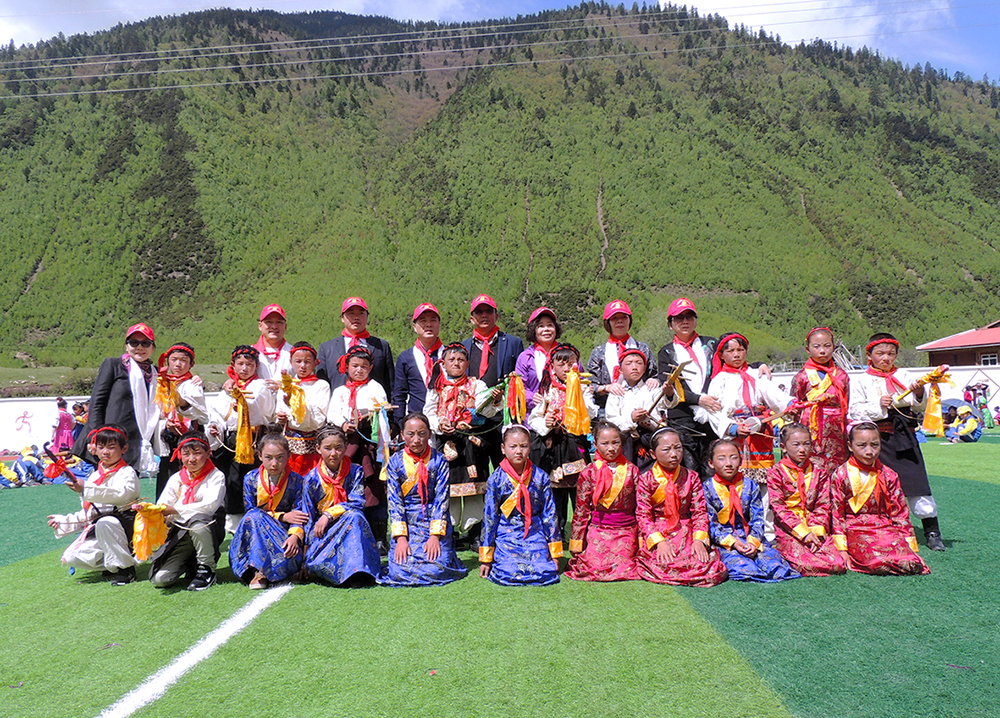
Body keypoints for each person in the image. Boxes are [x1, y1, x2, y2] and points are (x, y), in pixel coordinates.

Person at [848, 333, 946, 551]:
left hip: (905, 437)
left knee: (917, 482)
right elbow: (854, 411)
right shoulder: (860, 380)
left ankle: (932, 531)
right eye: (880, 353)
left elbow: (919, 405)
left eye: (891, 354)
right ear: (869, 355)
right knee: (878, 485)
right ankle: (884, 529)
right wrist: (879, 404)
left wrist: (919, 393)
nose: (886, 358)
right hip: (877, 441)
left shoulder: (905, 375)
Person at [705, 331, 793, 539]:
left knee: (764, 487)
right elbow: (713, 411)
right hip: (735, 439)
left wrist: (789, 403)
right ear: (721, 355)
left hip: (760, 437)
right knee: (737, 484)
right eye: (731, 351)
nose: (736, 354)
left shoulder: (756, 376)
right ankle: (737, 529)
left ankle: (767, 533)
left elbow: (774, 395)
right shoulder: (718, 380)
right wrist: (732, 428)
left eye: (740, 349)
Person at [378, 413, 468, 587]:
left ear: (429, 434)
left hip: (434, 520)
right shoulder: (395, 462)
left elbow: (442, 500)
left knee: (437, 569)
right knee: (399, 571)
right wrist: (401, 538)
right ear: (402, 435)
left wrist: (435, 536)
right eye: (410, 434)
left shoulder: (439, 460)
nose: (416, 440)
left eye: (421, 434)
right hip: (408, 523)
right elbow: (395, 502)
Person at [423, 342, 500, 542]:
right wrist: (440, 424)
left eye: (460, 359)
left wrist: (493, 400)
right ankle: (451, 533)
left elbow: (487, 411)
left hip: (473, 444)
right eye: (452, 359)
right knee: (449, 486)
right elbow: (428, 413)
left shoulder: (477, 385)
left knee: (475, 485)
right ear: (443, 363)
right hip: (446, 443)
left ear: (467, 363)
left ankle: (475, 533)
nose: (456, 363)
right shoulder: (437, 386)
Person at [830, 422, 930, 575]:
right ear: (850, 446)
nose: (869, 451)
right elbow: (837, 514)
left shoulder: (889, 475)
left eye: (874, 445)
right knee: (876, 561)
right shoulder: (841, 474)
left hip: (883, 527)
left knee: (910, 561)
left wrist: (911, 548)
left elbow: (900, 513)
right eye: (862, 445)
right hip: (855, 528)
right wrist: (842, 549)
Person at [47, 425, 140, 585]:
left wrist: (86, 488)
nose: (105, 452)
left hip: (127, 528)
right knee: (73, 557)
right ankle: (113, 564)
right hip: (104, 529)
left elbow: (123, 495)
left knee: (106, 522)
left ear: (124, 448)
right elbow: (89, 512)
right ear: (95, 449)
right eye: (101, 447)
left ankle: (126, 569)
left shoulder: (127, 472)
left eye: (111, 447)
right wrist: (63, 521)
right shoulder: (95, 476)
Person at [635, 428, 728, 586]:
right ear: (652, 454)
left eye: (678, 448)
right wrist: (659, 542)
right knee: (662, 562)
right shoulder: (646, 479)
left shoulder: (692, 477)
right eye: (666, 449)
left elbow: (699, 512)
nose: (674, 454)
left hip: (685, 528)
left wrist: (699, 540)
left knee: (701, 563)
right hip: (658, 529)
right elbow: (643, 515)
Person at [702, 438, 800, 583]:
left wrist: (753, 542)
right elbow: (710, 523)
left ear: (741, 460)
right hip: (725, 542)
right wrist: (734, 543)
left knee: (774, 566)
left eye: (733, 457)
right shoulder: (707, 488)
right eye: (721, 459)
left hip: (750, 537)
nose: (728, 463)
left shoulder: (750, 485)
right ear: (711, 463)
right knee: (742, 567)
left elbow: (758, 518)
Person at [527, 343, 597, 540]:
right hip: (554, 448)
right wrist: (546, 422)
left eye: (571, 364)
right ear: (552, 367)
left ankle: (583, 534)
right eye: (561, 364)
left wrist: (580, 397)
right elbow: (534, 419)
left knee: (580, 492)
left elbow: (591, 413)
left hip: (576, 446)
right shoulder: (547, 389)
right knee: (555, 494)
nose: (566, 369)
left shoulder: (583, 387)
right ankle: (557, 535)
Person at [479, 424, 563, 586]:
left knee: (543, 571)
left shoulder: (540, 477)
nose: (518, 451)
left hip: (534, 532)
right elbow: (490, 518)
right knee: (507, 571)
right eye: (513, 446)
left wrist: (555, 554)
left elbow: (549, 515)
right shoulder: (495, 479)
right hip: (507, 534)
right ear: (503, 448)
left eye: (523, 446)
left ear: (530, 448)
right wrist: (486, 559)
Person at [72, 323, 160, 473]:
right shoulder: (114, 365)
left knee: (129, 483)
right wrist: (94, 437)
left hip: (137, 442)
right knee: (107, 483)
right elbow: (97, 402)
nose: (140, 347)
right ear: (126, 346)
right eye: (134, 343)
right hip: (109, 440)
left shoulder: (156, 374)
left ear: (153, 348)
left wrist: (195, 381)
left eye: (145, 343)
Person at [299, 427, 380, 586]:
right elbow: (307, 515)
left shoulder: (355, 471)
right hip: (324, 531)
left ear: (346, 447)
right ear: (318, 449)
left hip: (350, 525)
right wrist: (304, 555)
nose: (333, 453)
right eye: (327, 448)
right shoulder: (311, 479)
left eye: (338, 448)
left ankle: (357, 572)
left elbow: (358, 502)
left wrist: (329, 514)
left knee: (354, 516)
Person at [327, 344, 390, 550]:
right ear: (346, 367)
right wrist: (344, 424)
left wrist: (369, 415)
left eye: (364, 366)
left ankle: (379, 537)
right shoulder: (340, 391)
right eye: (355, 366)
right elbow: (332, 413)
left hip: (370, 443)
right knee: (348, 486)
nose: (359, 370)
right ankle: (349, 533)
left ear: (370, 367)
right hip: (347, 444)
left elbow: (382, 407)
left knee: (374, 487)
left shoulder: (375, 387)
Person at [145, 432, 226, 591]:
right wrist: (149, 511)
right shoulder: (176, 478)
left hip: (206, 529)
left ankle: (206, 569)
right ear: (179, 455)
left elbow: (209, 506)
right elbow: (163, 505)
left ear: (208, 453)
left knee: (198, 522)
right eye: (186, 454)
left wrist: (174, 509)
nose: (191, 459)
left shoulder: (216, 476)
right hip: (179, 532)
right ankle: (191, 563)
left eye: (197, 453)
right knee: (160, 579)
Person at [765, 424, 846, 576]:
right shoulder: (775, 473)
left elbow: (823, 504)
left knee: (837, 564)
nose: (802, 449)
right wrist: (804, 533)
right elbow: (779, 507)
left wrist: (814, 530)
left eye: (806, 444)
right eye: (796, 445)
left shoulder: (819, 472)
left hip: (814, 525)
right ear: (783, 447)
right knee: (806, 564)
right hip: (789, 528)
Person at [228, 433, 307, 589]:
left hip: (283, 536)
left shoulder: (297, 481)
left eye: (280, 457)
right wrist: (282, 516)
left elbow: (299, 514)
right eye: (268, 458)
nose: (274, 463)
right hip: (257, 530)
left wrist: (294, 537)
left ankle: (279, 568)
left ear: (288, 456)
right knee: (254, 517)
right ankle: (259, 572)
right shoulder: (251, 478)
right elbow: (250, 511)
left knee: (258, 518)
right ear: (260, 456)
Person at [564, 421, 640, 581]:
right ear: (595, 444)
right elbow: (581, 510)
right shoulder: (588, 472)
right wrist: (577, 543)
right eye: (605, 443)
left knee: (624, 567)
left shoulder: (632, 470)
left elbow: (641, 507)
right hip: (598, 529)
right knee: (594, 567)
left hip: (626, 529)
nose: (611, 448)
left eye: (615, 443)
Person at [208, 345, 276, 521]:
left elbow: (263, 409)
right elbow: (218, 413)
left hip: (254, 438)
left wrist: (243, 404)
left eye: (249, 364)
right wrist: (216, 427)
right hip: (233, 439)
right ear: (233, 365)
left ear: (256, 366)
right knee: (233, 478)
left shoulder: (260, 385)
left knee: (255, 477)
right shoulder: (228, 388)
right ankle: (233, 519)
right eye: (240, 364)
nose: (244, 368)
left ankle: (257, 515)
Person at [461, 294, 524, 479]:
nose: (484, 315)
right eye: (479, 312)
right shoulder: (464, 347)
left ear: (496, 315)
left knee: (507, 470)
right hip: (474, 420)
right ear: (472, 318)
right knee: (478, 473)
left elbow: (519, 380)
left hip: (503, 418)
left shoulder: (513, 343)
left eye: (488, 311)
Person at [656, 298, 720, 475]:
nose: (685, 321)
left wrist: (758, 365)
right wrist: (699, 400)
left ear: (695, 320)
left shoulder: (711, 344)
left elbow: (731, 361)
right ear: (670, 324)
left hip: (713, 413)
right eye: (679, 318)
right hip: (682, 418)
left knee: (712, 468)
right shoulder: (666, 352)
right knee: (687, 469)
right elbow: (668, 383)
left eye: (689, 316)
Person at [605, 347, 677, 470]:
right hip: (625, 444)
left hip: (649, 441)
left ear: (644, 368)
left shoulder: (652, 388)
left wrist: (669, 393)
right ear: (620, 369)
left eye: (639, 363)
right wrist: (631, 419)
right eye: (629, 363)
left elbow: (667, 403)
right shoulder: (616, 392)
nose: (634, 367)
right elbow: (612, 421)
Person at [153, 342, 210, 498]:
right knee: (166, 477)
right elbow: (154, 413)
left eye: (183, 360)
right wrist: (165, 424)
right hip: (168, 439)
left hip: (190, 438)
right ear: (168, 362)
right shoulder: (160, 384)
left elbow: (201, 414)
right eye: (174, 360)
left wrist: (180, 401)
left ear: (191, 364)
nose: (178, 364)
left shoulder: (193, 384)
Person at [791, 328, 850, 475]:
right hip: (810, 427)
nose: (822, 351)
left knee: (837, 468)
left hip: (836, 429)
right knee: (811, 469)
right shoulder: (802, 377)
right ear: (808, 349)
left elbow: (847, 403)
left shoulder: (841, 375)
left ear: (833, 347)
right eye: (816, 346)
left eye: (827, 346)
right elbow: (794, 405)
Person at [588, 300, 657, 413]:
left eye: (624, 317)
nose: (620, 321)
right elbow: (592, 385)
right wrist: (607, 388)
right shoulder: (599, 352)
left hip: (642, 408)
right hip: (607, 410)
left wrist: (653, 381)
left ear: (629, 320)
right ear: (608, 323)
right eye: (614, 318)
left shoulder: (643, 348)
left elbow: (654, 376)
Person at [317, 297, 394, 395]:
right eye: (351, 313)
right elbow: (321, 385)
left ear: (367, 317)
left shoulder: (381, 346)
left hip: (373, 403)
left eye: (361, 313)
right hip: (339, 402)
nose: (356, 317)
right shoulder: (327, 348)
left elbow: (390, 382)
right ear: (342, 318)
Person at [275, 342, 330, 476]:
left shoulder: (321, 386)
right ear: (291, 362)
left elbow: (319, 419)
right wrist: (281, 417)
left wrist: (296, 405)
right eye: (298, 361)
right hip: (290, 443)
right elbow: (279, 412)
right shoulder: (286, 386)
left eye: (307, 362)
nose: (303, 366)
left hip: (313, 444)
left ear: (315, 363)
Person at [392, 303, 444, 424]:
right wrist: (401, 424)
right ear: (415, 326)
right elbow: (399, 394)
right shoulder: (406, 358)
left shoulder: (450, 356)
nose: (428, 324)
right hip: (416, 422)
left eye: (433, 320)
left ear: (439, 324)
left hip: (446, 421)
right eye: (423, 320)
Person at [514, 306, 562, 412]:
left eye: (550, 325)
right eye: (541, 326)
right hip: (534, 414)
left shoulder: (567, 353)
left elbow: (578, 377)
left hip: (564, 413)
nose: (546, 329)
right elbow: (520, 386)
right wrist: (531, 397)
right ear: (534, 330)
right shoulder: (525, 357)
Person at [253, 303, 293, 382]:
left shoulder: (294, 353)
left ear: (285, 326)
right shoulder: (249, 353)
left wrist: (283, 386)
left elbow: (306, 382)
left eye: (279, 322)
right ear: (260, 326)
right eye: (269, 322)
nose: (274, 326)